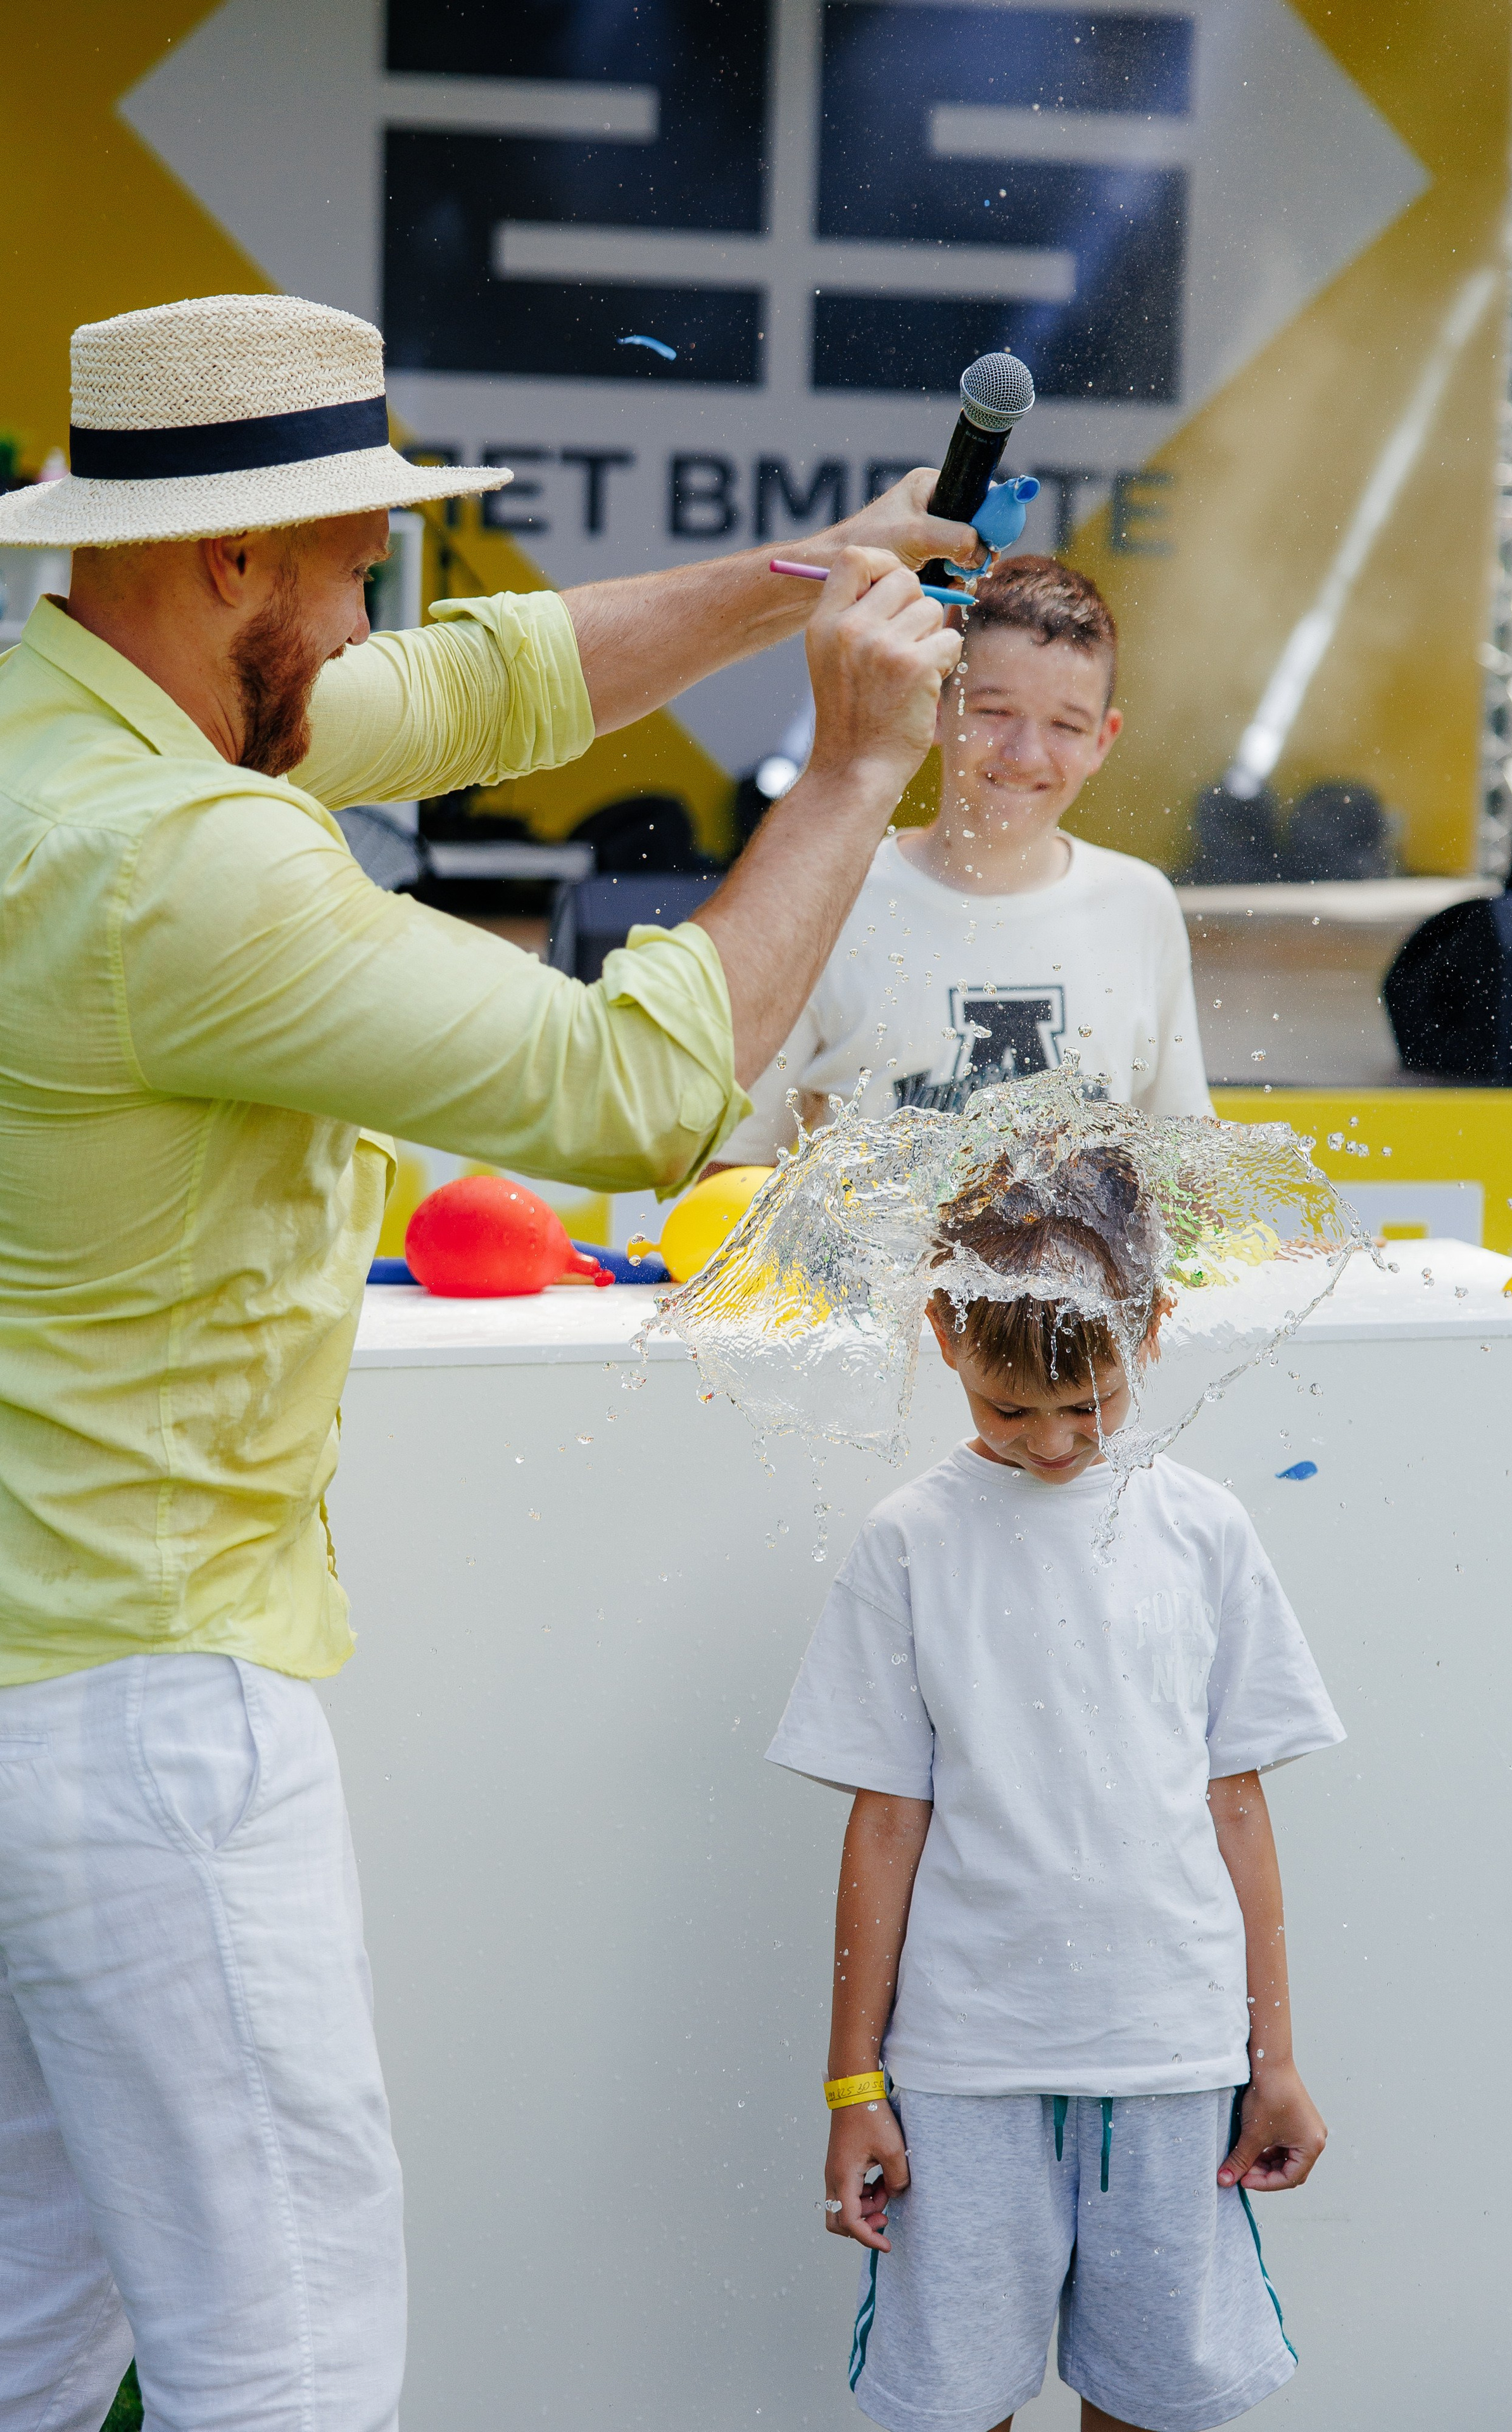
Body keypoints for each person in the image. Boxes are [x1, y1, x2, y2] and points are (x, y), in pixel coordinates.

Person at [0, 291, 978, 2432]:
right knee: (294, 2370)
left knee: (33, 2345)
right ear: (230, 560)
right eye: (356, 555)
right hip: (142, 1713)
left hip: (40, 1687)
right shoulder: (190, 866)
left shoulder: (60, 731)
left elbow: (468, 691)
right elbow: (641, 1089)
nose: (377, 609)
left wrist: (803, 571)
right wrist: (858, 767)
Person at [767, 1143, 1343, 2432]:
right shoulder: (907, 1542)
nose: (1048, 1444)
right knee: (954, 2402)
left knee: (1151, 2401)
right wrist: (851, 2084)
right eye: (1003, 1412)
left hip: (1173, 2054)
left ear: (1150, 1328)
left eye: (1086, 1405)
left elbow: (1235, 1807)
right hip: (963, 2068)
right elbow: (884, 1821)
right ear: (941, 1334)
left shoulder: (1203, 1531)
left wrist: (1275, 2058)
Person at [717, 555, 1212, 1170]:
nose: (1025, 752)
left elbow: (1188, 1180)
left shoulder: (1140, 904)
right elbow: (731, 1174)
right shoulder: (833, 897)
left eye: (1065, 723)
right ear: (934, 707)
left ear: (1102, 741)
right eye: (994, 711)